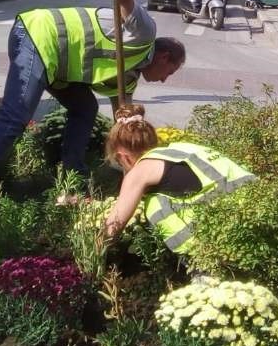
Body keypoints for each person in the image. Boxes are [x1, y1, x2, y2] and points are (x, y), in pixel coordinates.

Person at [0, 0, 187, 195]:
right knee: (15, 116)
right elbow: (125, 3)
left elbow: (124, 126)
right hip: (38, 36)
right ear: (164, 57)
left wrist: (136, 167)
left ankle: (72, 177)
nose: (163, 81)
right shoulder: (145, 33)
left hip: (57, 65)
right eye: (169, 72)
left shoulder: (128, 78)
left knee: (85, 107)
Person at [100, 106, 256, 253]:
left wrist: (90, 257)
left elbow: (112, 228)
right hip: (256, 204)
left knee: (153, 203)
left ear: (122, 157)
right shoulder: (179, 149)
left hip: (219, 243)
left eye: (119, 163)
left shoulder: (140, 171)